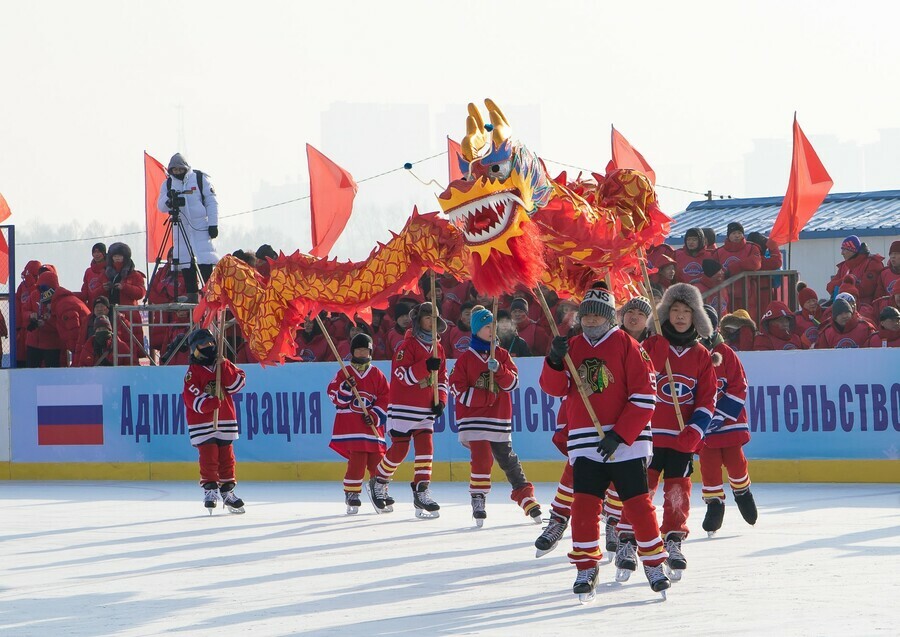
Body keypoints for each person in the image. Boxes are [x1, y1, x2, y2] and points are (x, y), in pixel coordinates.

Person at [539, 286, 670, 599]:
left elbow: (645, 397)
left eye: (597, 313)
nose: (591, 319)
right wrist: (555, 361)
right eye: (586, 313)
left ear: (611, 316)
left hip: (628, 443)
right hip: (585, 441)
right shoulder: (571, 346)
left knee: (638, 505)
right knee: (584, 506)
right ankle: (586, 566)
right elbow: (554, 389)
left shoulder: (629, 346)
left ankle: (653, 562)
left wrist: (620, 434)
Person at [618, 283, 717, 582]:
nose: (680, 316)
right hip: (647, 435)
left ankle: (673, 538)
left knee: (678, 491)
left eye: (686, 311)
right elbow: (635, 381)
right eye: (674, 310)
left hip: (681, 437)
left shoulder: (701, 355)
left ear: (696, 316)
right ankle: (627, 539)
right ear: (665, 313)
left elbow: (707, 398)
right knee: (640, 491)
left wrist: (695, 429)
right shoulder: (650, 346)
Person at [450, 306, 542, 526]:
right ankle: (478, 496)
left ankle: (525, 497)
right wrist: (484, 398)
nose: (491, 330)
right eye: (485, 327)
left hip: (499, 418)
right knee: (481, 459)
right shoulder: (465, 359)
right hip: (474, 419)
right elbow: (456, 388)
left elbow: (513, 384)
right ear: (476, 330)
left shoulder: (502, 355)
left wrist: (500, 369)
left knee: (508, 460)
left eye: (493, 326)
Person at [372, 302, 448, 518]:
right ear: (418, 321)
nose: (431, 322)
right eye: (427, 318)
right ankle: (379, 480)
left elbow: (443, 378)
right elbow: (401, 376)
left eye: (434, 318)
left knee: (426, 448)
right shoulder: (407, 346)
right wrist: (425, 367)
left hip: (425, 408)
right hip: (403, 406)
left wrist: (441, 400)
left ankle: (421, 490)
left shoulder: (438, 348)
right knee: (400, 450)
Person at [698, 305, 757, 535]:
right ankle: (714, 505)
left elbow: (739, 384)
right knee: (709, 466)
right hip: (704, 425)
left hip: (730, 422)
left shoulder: (726, 352)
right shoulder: (692, 354)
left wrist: (721, 414)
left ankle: (742, 492)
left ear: (715, 327)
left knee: (735, 461)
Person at [182, 328, 247, 514]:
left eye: (211, 343)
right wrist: (209, 403)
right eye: (203, 344)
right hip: (202, 422)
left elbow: (236, 384)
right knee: (209, 455)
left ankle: (227, 491)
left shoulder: (222, 364)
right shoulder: (192, 372)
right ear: (195, 348)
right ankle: (210, 489)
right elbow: (190, 395)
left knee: (227, 456)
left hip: (225, 417)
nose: (209, 347)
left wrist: (224, 365)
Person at [327, 333, 389, 514]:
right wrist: (346, 388)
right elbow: (335, 398)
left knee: (378, 460)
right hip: (352, 427)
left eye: (365, 350)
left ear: (370, 352)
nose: (362, 353)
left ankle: (380, 490)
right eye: (358, 349)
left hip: (370, 427)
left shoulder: (377, 374)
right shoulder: (344, 373)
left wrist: (375, 415)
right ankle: (352, 492)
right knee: (358, 459)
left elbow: (386, 397)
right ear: (353, 352)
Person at [157, 153, 219, 303]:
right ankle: (192, 295)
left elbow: (211, 202)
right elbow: (161, 206)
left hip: (200, 226)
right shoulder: (168, 184)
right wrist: (170, 199)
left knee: (205, 259)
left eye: (179, 169)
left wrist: (213, 224)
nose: (177, 172)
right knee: (185, 262)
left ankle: (209, 292)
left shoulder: (199, 179)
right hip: (180, 226)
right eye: (174, 170)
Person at [100, 242, 147, 363]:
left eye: (120, 256)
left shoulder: (135, 275)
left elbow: (141, 293)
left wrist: (124, 287)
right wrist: (104, 288)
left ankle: (133, 365)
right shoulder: (105, 273)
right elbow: (96, 293)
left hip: (129, 316)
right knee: (112, 345)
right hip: (110, 315)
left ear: (126, 257)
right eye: (115, 256)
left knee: (131, 345)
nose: (117, 259)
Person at [715, 222, 761, 318]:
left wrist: (732, 269)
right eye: (733, 233)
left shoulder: (752, 248)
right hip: (726, 295)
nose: (737, 236)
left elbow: (756, 263)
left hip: (748, 294)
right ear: (728, 235)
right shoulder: (719, 252)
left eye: (739, 233)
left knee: (749, 321)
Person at [825, 235, 884, 306]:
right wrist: (846, 280)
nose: (842, 253)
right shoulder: (844, 266)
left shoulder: (872, 263)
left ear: (852, 250)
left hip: (867, 308)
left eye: (844, 249)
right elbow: (830, 287)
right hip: (842, 307)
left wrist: (841, 287)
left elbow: (866, 290)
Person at [15, 260, 42, 367]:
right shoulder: (21, 287)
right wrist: (17, 327)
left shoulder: (40, 287)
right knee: (21, 356)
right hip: (23, 328)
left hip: (36, 326)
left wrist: (32, 284)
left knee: (34, 357)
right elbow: (17, 308)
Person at [794, 283, 823, 348]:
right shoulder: (797, 320)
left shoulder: (825, 315)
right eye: (808, 302)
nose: (812, 303)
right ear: (802, 304)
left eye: (814, 300)